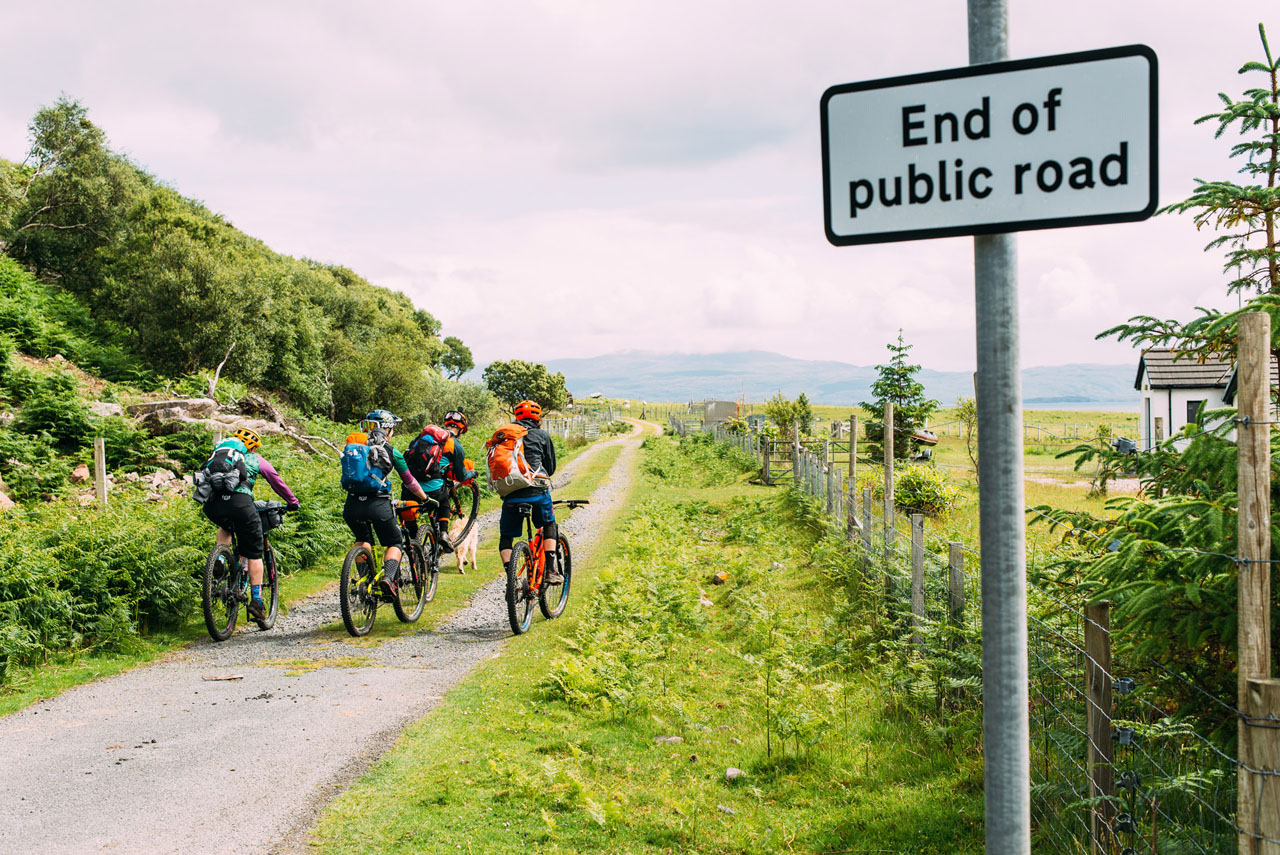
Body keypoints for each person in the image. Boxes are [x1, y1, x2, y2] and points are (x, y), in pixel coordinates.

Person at [200, 427, 299, 621]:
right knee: (255, 553)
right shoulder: (255, 459)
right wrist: (293, 502)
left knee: (226, 526)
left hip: (213, 505)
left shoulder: (221, 454)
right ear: (253, 448)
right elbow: (277, 482)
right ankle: (256, 602)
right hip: (241, 504)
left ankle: (220, 560)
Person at [343, 409, 430, 599]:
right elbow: (410, 482)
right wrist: (425, 499)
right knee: (395, 542)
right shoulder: (392, 451)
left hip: (352, 506)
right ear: (387, 430)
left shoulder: (352, 447)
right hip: (378, 505)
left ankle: (364, 581)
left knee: (362, 539)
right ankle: (388, 579)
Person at [497, 399, 560, 582]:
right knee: (549, 524)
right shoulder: (542, 435)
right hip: (537, 493)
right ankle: (551, 571)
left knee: (506, 536)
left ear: (516, 417)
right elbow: (550, 467)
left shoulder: (505, 436)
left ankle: (511, 578)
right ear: (538, 418)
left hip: (511, 493)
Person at [402, 410, 475, 553]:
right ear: (461, 430)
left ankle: (415, 542)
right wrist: (473, 473)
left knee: (409, 509)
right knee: (444, 499)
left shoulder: (421, 438)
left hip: (411, 488)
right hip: (433, 490)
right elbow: (461, 476)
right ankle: (443, 533)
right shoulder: (454, 444)